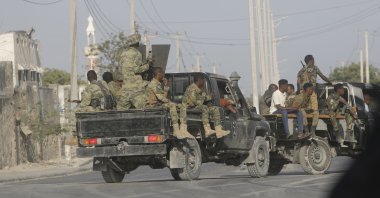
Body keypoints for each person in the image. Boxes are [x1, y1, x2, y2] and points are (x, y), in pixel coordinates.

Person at [146, 67, 193, 139]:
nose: (163, 76)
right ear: (159, 74)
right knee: (172, 105)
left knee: (182, 106)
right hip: (153, 106)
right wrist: (171, 102)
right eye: (162, 74)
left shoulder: (157, 83)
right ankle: (176, 130)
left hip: (159, 104)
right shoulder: (153, 83)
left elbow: (162, 96)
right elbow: (161, 98)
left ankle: (183, 129)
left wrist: (166, 86)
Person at [297, 55, 332, 134]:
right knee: (315, 110)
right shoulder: (315, 68)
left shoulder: (301, 70)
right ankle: (312, 131)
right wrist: (330, 82)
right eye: (313, 60)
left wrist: (298, 91)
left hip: (303, 93)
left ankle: (306, 131)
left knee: (303, 111)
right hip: (312, 92)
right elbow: (322, 77)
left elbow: (298, 83)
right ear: (311, 60)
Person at [117, 33, 152, 110]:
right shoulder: (137, 53)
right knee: (143, 110)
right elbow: (136, 69)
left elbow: (120, 70)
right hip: (136, 88)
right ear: (137, 42)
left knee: (121, 111)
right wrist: (148, 65)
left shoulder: (123, 54)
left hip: (125, 88)